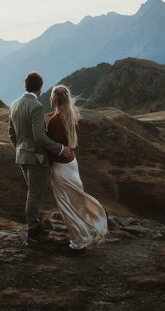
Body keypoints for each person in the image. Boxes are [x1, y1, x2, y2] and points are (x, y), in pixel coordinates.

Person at [8, 71, 72, 246]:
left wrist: (21, 149)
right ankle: (33, 231)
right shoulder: (36, 106)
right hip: (36, 158)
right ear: (40, 88)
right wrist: (60, 149)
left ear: (26, 85)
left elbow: (11, 133)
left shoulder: (14, 104)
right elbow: (39, 136)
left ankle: (35, 227)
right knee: (34, 194)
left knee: (32, 193)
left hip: (21, 156)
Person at [46, 84, 108, 255]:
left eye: (51, 96)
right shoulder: (71, 117)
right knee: (77, 202)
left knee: (67, 207)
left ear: (56, 99)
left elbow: (50, 147)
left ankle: (79, 243)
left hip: (61, 167)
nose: (50, 98)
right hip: (72, 164)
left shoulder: (55, 121)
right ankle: (86, 234)